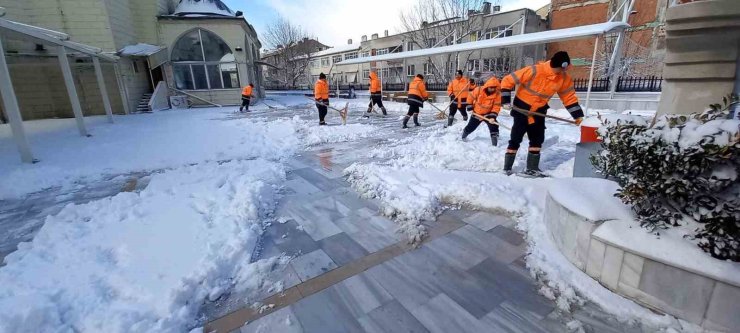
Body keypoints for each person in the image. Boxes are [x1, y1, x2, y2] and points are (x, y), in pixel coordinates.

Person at [500, 51, 584, 176]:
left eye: (563, 69)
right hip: (522, 108)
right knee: (515, 138)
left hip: (539, 111)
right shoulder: (534, 70)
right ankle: (507, 168)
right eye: (560, 69)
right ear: (554, 65)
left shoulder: (563, 79)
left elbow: (569, 98)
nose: (561, 72)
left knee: (537, 139)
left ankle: (532, 168)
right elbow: (507, 80)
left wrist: (578, 116)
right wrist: (505, 100)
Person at [461, 77, 501, 146]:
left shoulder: (497, 95)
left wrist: (493, 116)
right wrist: (470, 107)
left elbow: (496, 106)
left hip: (488, 114)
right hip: (477, 113)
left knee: (494, 125)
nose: (493, 89)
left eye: (494, 87)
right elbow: (470, 97)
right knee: (471, 127)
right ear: (487, 86)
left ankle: (495, 140)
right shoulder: (479, 90)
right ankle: (463, 135)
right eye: (491, 87)